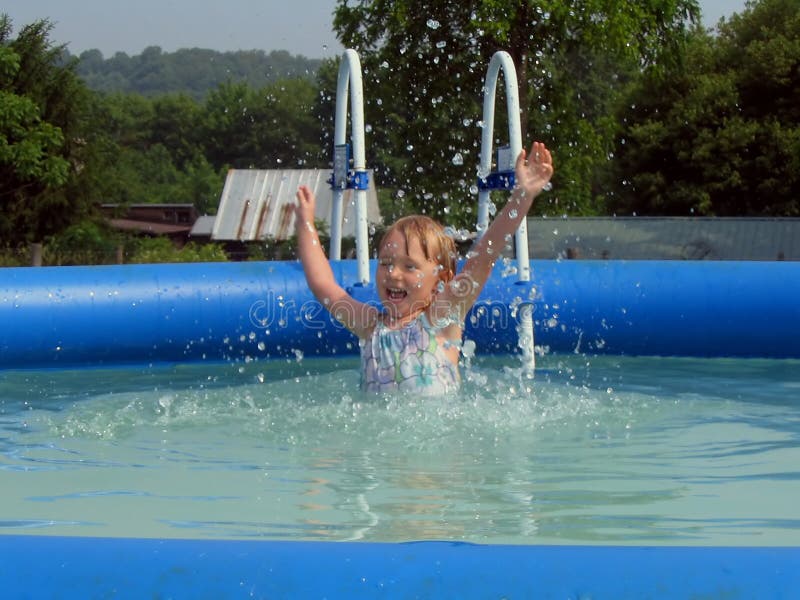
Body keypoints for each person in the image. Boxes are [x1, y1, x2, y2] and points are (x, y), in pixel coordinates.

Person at [294, 141, 554, 394]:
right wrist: (306, 224)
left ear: (442, 278)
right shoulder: (370, 326)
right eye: (385, 263)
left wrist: (522, 197)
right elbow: (323, 285)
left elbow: (482, 260)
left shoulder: (440, 318)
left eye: (409, 266)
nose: (393, 274)